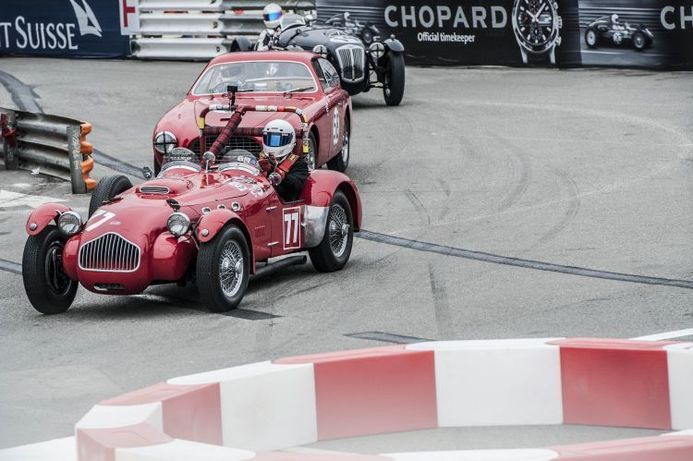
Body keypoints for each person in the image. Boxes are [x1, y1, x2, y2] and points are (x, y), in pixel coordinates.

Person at [258, 119, 309, 201]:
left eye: (277, 141)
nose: (273, 144)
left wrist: (283, 177)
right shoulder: (261, 160)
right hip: (259, 199)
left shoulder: (298, 163)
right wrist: (261, 169)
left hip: (282, 202)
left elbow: (297, 185)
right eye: (269, 139)